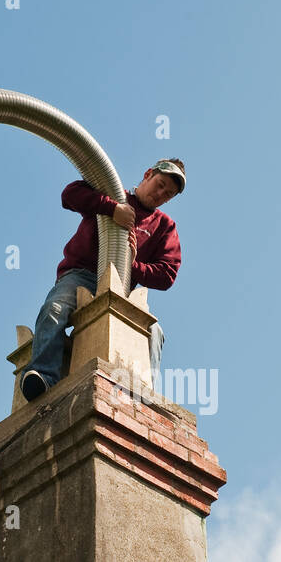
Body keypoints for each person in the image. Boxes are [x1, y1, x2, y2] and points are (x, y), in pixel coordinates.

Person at [20, 158, 186, 400]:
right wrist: (111, 208)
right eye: (160, 185)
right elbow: (70, 195)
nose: (161, 194)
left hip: (122, 287)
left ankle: (143, 395)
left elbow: (167, 274)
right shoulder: (112, 193)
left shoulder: (164, 226)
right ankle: (43, 376)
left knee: (154, 332)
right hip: (81, 275)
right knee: (55, 308)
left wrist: (133, 265)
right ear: (148, 174)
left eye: (168, 194)